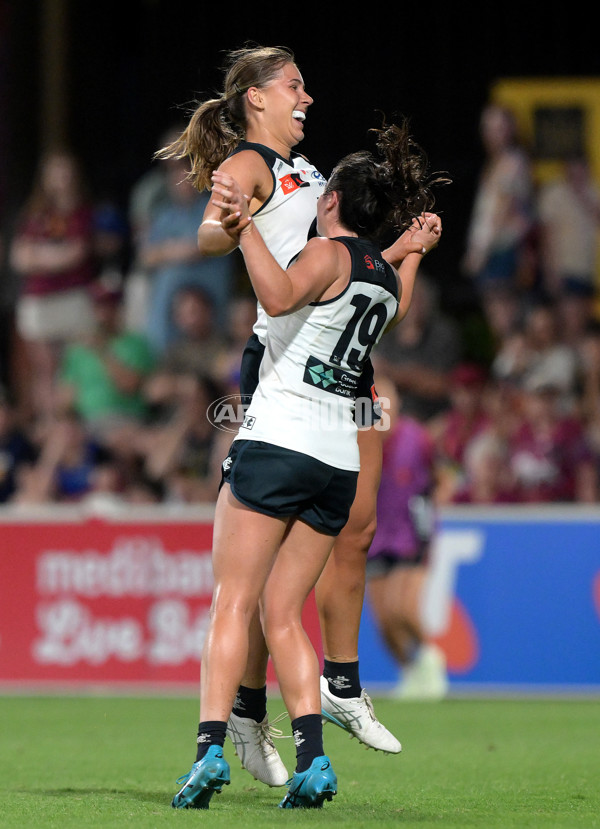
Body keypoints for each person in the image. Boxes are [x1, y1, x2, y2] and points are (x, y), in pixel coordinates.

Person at [159, 45, 449, 783]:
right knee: (261, 575)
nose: (308, 97)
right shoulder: (251, 162)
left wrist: (400, 248)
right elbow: (207, 235)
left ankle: (333, 688)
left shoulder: (313, 174)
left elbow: (339, 263)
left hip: (330, 357)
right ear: (256, 98)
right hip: (285, 365)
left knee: (357, 525)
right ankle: (252, 716)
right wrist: (232, 222)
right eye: (293, 85)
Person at [365, 376, 448, 700]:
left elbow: (445, 475)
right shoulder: (361, 441)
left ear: (397, 403)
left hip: (412, 534)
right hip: (375, 536)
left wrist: (433, 504)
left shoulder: (419, 439)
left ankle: (430, 655)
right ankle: (409, 669)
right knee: (383, 620)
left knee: (403, 607)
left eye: (387, 401)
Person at [9, 149, 98, 417]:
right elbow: (18, 257)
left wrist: (39, 255)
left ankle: (74, 425)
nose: (61, 178)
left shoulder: (84, 212)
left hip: (73, 297)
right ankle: (48, 423)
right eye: (54, 172)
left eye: (65, 171)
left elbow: (76, 254)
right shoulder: (35, 213)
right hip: (38, 300)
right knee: (43, 369)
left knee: (77, 365)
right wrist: (52, 255)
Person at [137, 156, 237, 355]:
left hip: (208, 280)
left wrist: (166, 250)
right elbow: (146, 256)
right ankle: (161, 355)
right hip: (174, 289)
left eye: (188, 179)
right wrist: (178, 250)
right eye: (177, 179)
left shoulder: (214, 206)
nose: (182, 185)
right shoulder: (165, 214)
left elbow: (203, 247)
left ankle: (218, 358)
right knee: (162, 286)